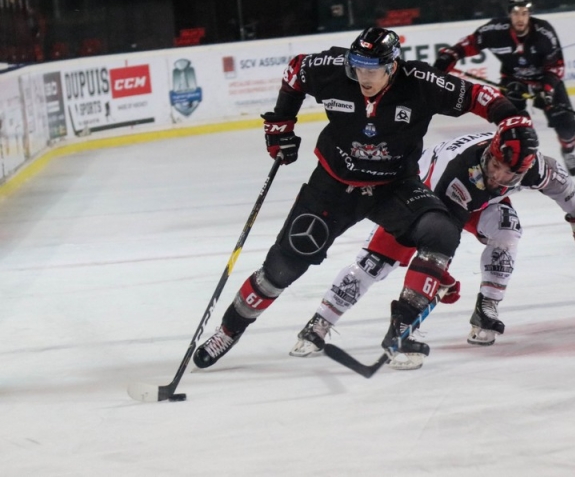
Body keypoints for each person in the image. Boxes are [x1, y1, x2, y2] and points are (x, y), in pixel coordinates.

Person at [192, 26, 538, 369]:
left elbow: (480, 95)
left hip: (393, 186)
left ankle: (402, 328)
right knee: (281, 268)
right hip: (333, 185)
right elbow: (295, 69)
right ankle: (227, 331)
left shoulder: (420, 82)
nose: (363, 76)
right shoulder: (331, 68)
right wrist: (280, 125)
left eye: (372, 70)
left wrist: (513, 120)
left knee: (441, 231)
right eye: (358, 67)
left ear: (392, 66)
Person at [289, 129, 575, 369]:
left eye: (511, 174)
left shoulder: (532, 167)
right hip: (420, 196)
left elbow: (561, 183)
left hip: (476, 203)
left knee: (508, 231)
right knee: (376, 262)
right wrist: (440, 274)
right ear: (489, 153)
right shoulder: (455, 174)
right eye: (495, 166)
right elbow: (438, 240)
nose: (499, 176)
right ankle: (318, 325)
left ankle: (486, 311)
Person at [433, 0, 575, 176]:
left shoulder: (544, 33)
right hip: (513, 81)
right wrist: (451, 55)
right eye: (516, 13)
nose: (520, 18)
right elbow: (470, 43)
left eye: (525, 13)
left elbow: (557, 66)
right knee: (515, 126)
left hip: (545, 80)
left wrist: (547, 90)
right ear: (509, 14)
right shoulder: (496, 30)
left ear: (530, 15)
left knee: (567, 127)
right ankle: (524, 162)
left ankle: (568, 151)